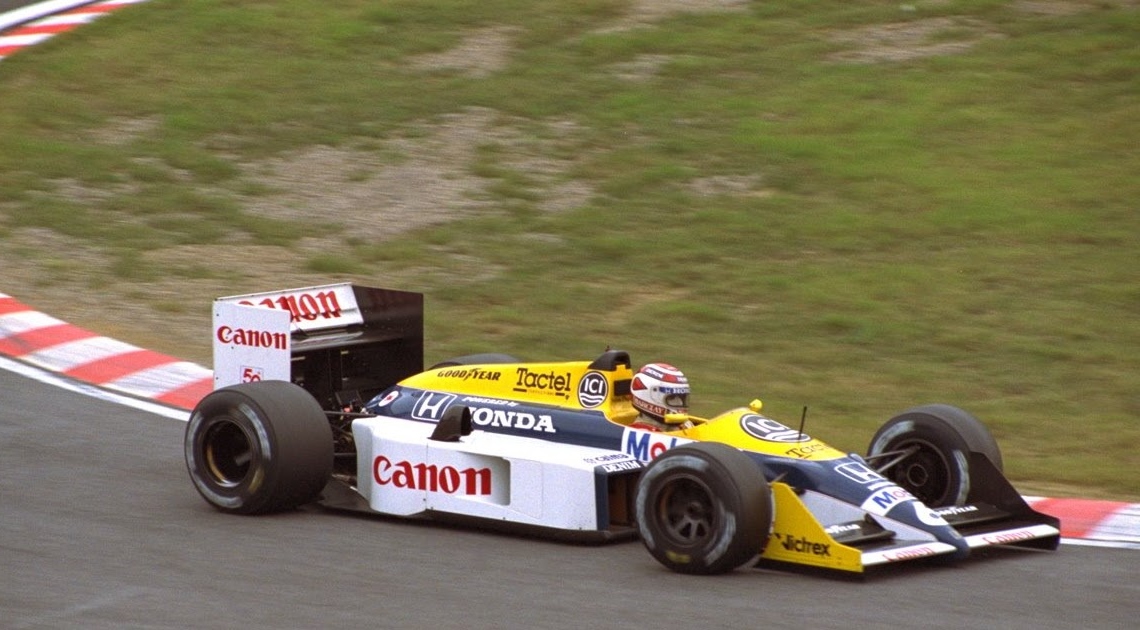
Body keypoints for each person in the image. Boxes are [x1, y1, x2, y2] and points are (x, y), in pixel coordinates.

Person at [629, 362, 692, 431]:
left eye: (681, 397)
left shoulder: (685, 425)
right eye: (672, 398)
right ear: (652, 397)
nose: (680, 402)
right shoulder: (641, 432)